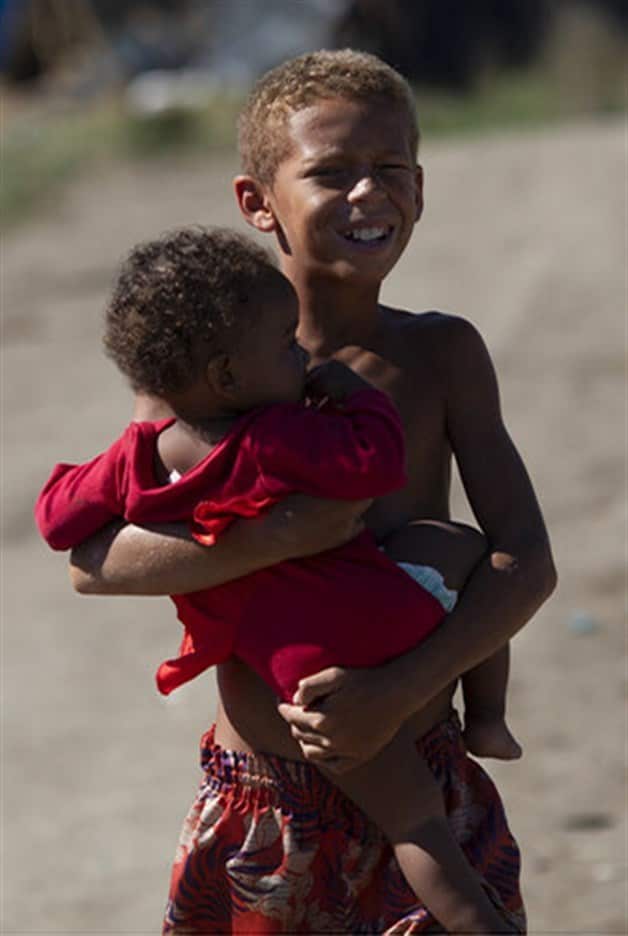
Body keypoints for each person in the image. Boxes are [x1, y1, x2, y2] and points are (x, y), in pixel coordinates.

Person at [68, 50, 556, 933]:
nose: (369, 193)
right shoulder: (200, 377)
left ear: (420, 186)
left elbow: (524, 562)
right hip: (264, 809)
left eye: (391, 170)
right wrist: (283, 535)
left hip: (420, 765)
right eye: (331, 172)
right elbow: (95, 563)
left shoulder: (440, 356)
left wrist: (401, 690)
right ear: (258, 203)